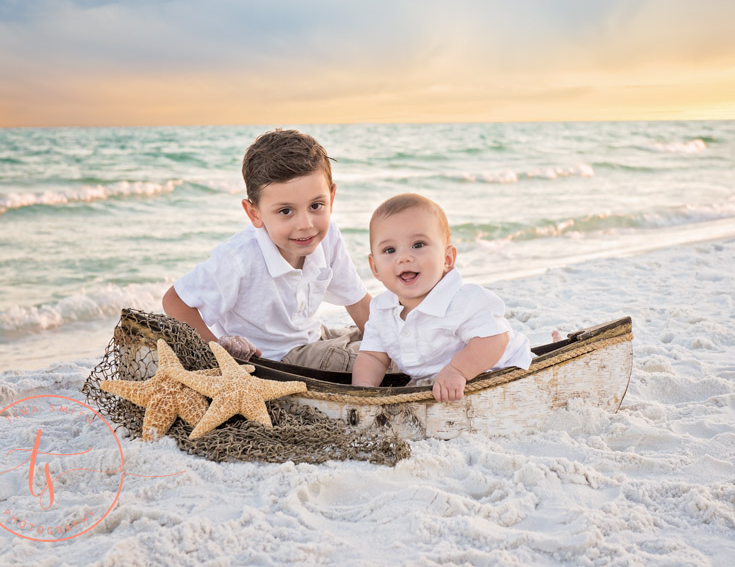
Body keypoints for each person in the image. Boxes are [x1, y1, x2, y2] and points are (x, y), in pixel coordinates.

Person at [162, 128, 372, 371]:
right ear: (255, 213)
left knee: (399, 335)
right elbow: (175, 300)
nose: (306, 224)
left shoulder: (327, 236)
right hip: (278, 360)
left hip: (312, 337)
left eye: (316, 205)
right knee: (381, 360)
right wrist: (217, 350)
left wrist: (395, 339)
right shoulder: (240, 258)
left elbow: (358, 303)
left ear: (331, 198)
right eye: (285, 211)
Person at [351, 193, 533, 402]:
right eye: (389, 250)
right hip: (440, 384)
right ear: (375, 267)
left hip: (498, 369)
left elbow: (495, 340)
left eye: (418, 245)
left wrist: (458, 370)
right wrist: (363, 392)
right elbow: (373, 356)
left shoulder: (464, 299)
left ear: (447, 259)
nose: (404, 257)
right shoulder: (381, 308)